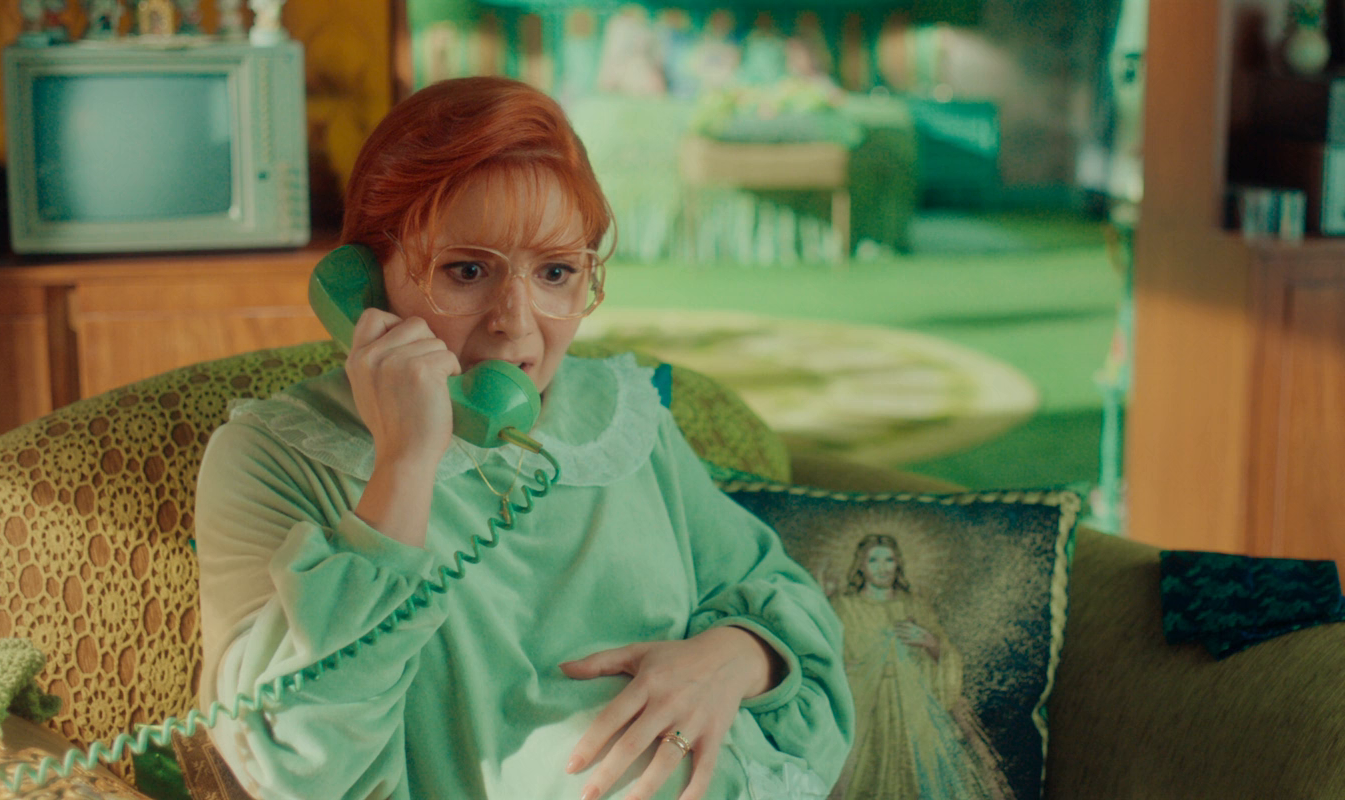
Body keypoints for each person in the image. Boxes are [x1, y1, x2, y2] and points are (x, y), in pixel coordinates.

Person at [193, 76, 852, 800]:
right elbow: (298, 765)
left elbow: (778, 596)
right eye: (467, 270)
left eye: (557, 272)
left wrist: (730, 658)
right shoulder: (270, 457)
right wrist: (405, 465)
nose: (516, 321)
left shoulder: (621, 417)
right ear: (366, 282)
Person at [828, 534, 1014, 800]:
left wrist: (929, 642)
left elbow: (947, 658)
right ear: (860, 565)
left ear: (898, 563)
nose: (883, 567)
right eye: (873, 560)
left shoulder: (915, 605)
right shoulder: (843, 608)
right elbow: (827, 659)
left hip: (915, 714)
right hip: (862, 714)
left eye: (889, 559)